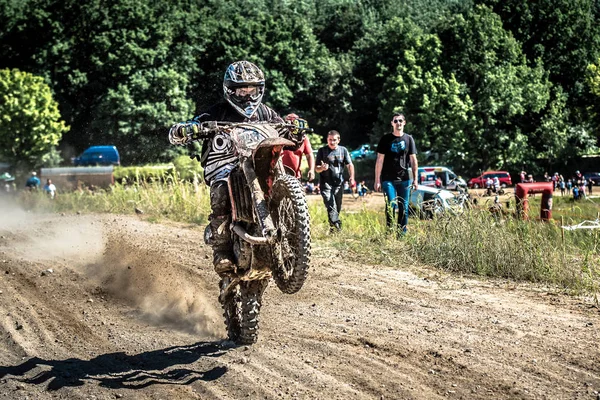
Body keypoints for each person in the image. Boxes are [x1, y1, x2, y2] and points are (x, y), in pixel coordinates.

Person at [168, 60, 289, 274]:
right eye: (242, 89)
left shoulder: (265, 113)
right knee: (221, 190)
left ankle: (292, 231)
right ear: (230, 90)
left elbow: (283, 127)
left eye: (252, 89)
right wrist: (185, 129)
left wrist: (295, 128)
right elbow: (186, 128)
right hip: (225, 165)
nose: (248, 94)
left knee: (280, 178)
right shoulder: (218, 112)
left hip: (257, 163)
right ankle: (221, 249)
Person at [374, 112, 418, 235]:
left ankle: (402, 233)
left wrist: (415, 179)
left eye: (400, 120)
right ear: (392, 123)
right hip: (388, 178)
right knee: (391, 204)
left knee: (404, 206)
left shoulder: (409, 139)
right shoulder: (385, 139)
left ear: (404, 123)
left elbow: (414, 160)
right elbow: (379, 160)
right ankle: (389, 231)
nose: (398, 123)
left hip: (405, 178)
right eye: (395, 121)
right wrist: (377, 180)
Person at [315, 130, 355, 232]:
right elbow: (316, 168)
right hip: (326, 183)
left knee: (337, 206)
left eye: (334, 140)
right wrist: (322, 168)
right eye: (330, 140)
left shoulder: (343, 150)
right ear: (327, 140)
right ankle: (337, 226)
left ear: (338, 140)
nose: (332, 142)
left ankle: (333, 227)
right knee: (330, 204)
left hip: (339, 183)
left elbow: (350, 165)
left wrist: (352, 177)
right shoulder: (322, 151)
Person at [281, 113, 315, 181]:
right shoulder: (279, 136)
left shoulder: (303, 139)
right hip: (279, 174)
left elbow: (309, 155)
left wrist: (311, 170)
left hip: (296, 176)